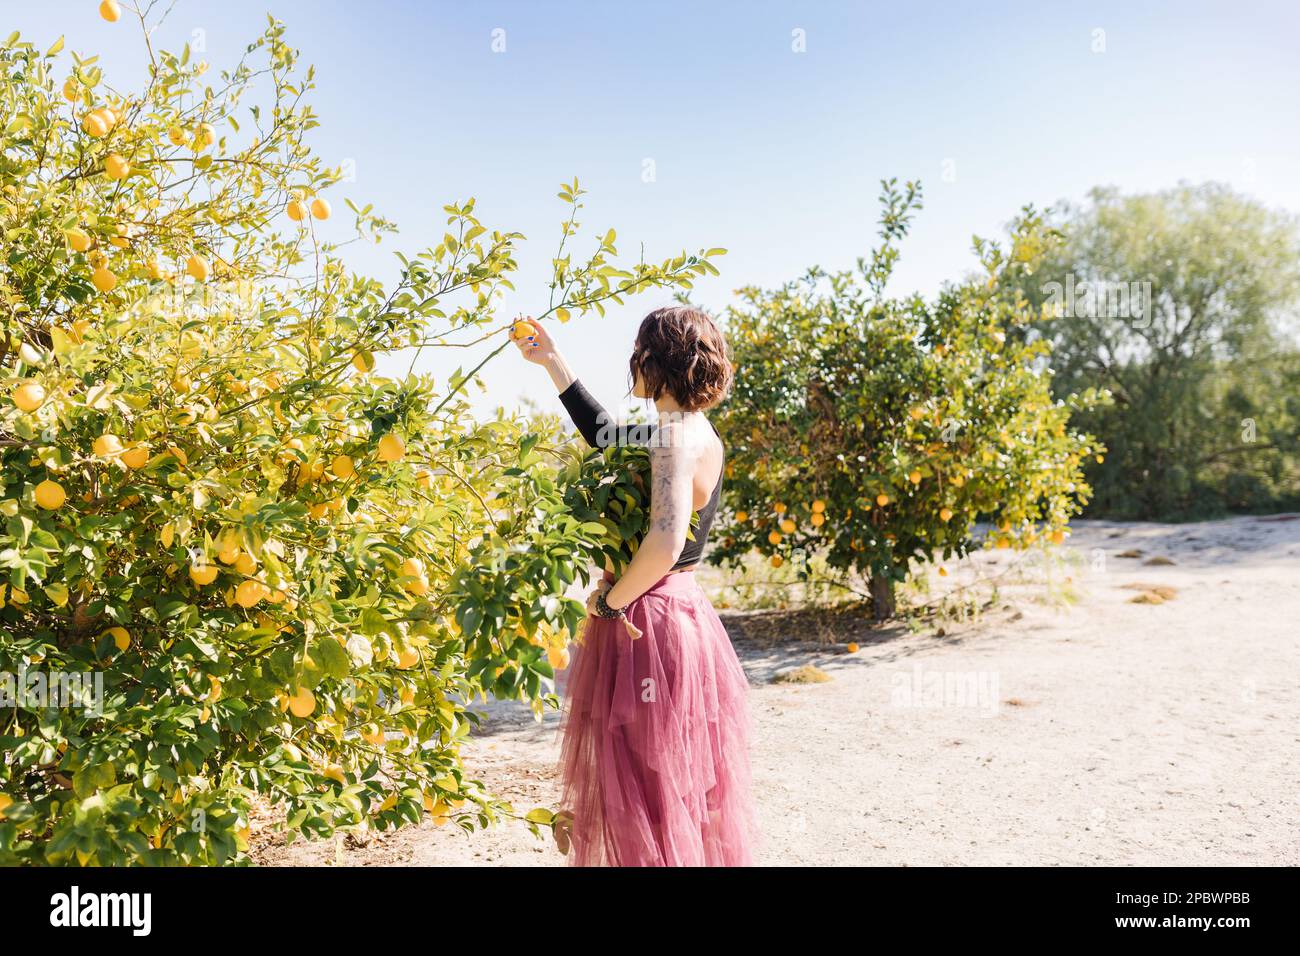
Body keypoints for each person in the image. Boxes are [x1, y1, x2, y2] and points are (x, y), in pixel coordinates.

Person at [511, 305, 757, 866]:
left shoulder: (672, 436)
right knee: (671, 786)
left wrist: (608, 602)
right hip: (683, 612)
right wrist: (553, 361)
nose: (632, 364)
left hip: (648, 619)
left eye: (638, 352)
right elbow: (606, 436)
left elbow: (666, 541)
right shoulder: (697, 431)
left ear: (653, 358)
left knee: (645, 787)